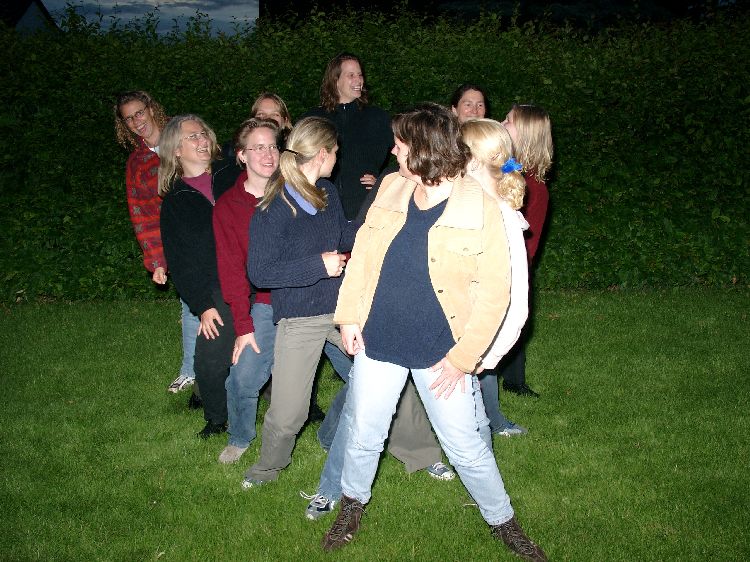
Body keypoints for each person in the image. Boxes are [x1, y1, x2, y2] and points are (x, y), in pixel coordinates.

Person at [321, 104, 547, 561]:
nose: (393, 152)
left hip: (441, 352)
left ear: (424, 150)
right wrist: (348, 318)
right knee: (364, 434)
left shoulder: (481, 205)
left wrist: (464, 358)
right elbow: (363, 258)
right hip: (379, 339)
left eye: (399, 145)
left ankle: (504, 522)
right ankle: (351, 507)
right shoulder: (391, 186)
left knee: (465, 447)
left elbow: (496, 295)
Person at [241, 116, 355, 487]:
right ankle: (266, 469)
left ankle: (421, 455)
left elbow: (343, 235)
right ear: (322, 153)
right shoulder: (275, 205)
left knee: (381, 373)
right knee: (290, 411)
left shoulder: (328, 193)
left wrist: (380, 220)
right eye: (335, 152)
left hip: (342, 309)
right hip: (301, 316)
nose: (338, 158)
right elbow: (260, 273)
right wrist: (318, 265)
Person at [114, 91, 200, 399]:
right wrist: (156, 260)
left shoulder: (183, 134)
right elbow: (142, 215)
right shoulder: (137, 164)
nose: (136, 121)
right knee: (191, 304)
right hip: (179, 243)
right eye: (128, 118)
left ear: (151, 109)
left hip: (211, 230)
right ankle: (190, 370)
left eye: (139, 112)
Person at [158, 114, 240, 438]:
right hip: (217, 286)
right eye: (192, 136)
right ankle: (218, 419)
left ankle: (302, 406)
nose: (202, 139)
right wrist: (204, 306)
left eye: (203, 133)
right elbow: (181, 262)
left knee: (272, 352)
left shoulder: (232, 173)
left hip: (257, 276)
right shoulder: (176, 202)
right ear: (176, 149)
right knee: (208, 362)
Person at [461, 118, 530, 436]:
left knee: (469, 434)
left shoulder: (500, 218)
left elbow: (515, 299)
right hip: (463, 336)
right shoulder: (474, 206)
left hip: (471, 342)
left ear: (474, 161)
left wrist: (486, 354)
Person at [499, 104, 554, 398]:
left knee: (510, 323)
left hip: (509, 267)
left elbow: (525, 244)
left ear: (526, 134)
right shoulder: (507, 169)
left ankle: (513, 380)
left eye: (508, 120)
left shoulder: (531, 186)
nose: (501, 122)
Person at [302, 52, 393, 219]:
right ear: (335, 80)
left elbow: (408, 155)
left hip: (365, 211)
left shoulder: (377, 117)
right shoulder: (314, 119)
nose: (358, 80)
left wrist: (384, 181)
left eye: (360, 75)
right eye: (351, 75)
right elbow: (294, 160)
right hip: (320, 210)